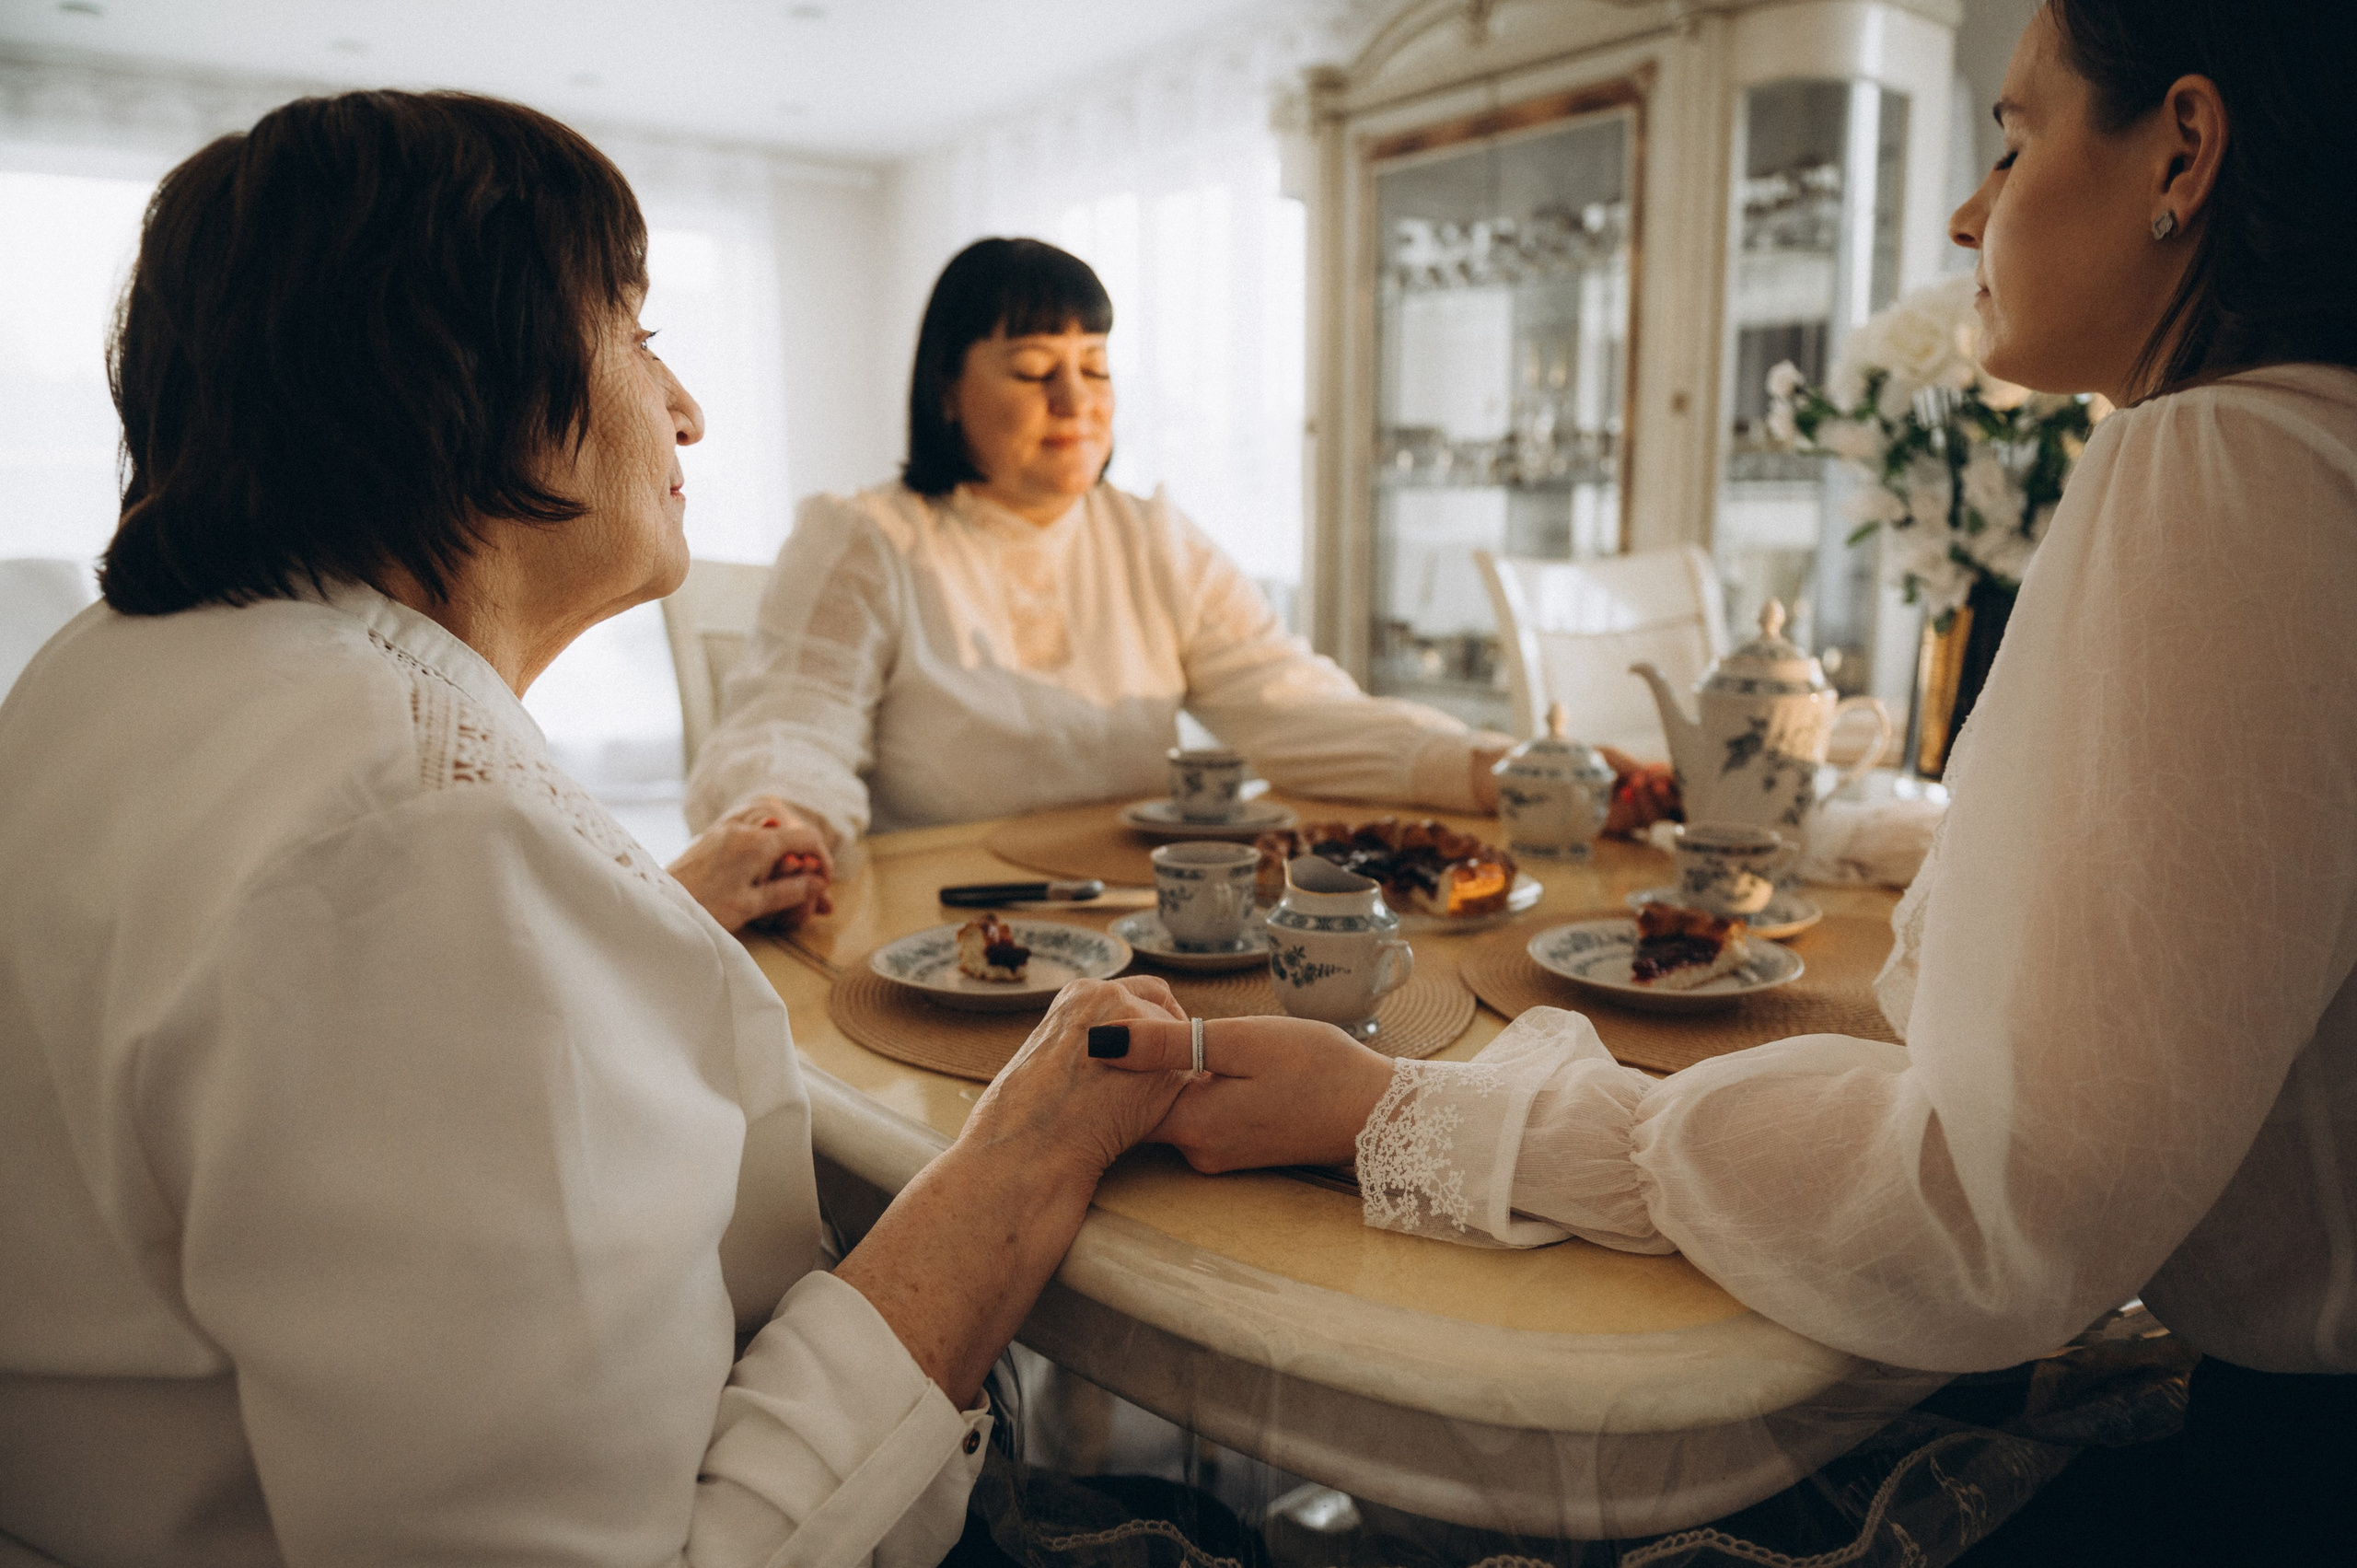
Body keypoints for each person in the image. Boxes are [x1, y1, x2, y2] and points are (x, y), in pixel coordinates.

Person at [1090, 0, 2357, 1561]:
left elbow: (1985, 1203)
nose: (1969, 208)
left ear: (2185, 145)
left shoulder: (2224, 463)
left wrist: (1411, 1111)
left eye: (2013, 137)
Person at [0, 90, 1213, 1567]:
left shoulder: (111, 673)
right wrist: (1025, 1151)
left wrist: (633, 908)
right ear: (461, 371)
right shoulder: (422, 836)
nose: (686, 406)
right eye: (636, 332)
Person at [682, 237, 1515, 923]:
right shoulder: (866, 538)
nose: (1075, 398)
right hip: (942, 928)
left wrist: (1491, 765)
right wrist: (782, 826)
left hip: (1148, 925)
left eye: (1096, 365)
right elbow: (792, 728)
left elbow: (1295, 708)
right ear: (947, 390)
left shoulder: (1154, 536)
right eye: (1034, 368)